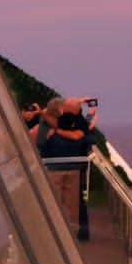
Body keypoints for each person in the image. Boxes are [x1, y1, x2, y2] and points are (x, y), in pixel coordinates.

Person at [37, 97, 90, 239]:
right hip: (67, 166)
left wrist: (56, 131)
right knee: (68, 203)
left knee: (61, 202)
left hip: (61, 167)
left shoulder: (54, 123)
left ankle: (61, 233)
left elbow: (76, 135)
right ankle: (68, 234)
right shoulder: (64, 120)